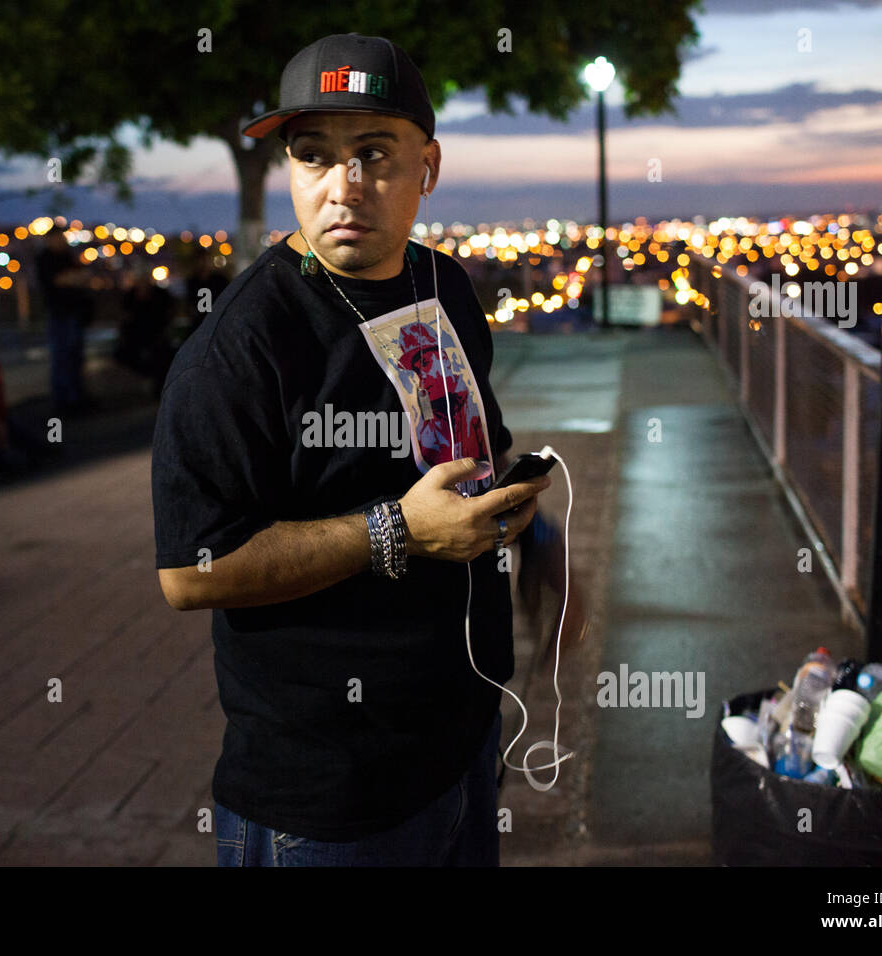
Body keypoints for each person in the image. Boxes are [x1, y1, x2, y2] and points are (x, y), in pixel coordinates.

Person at [151, 34, 550, 867]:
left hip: (463, 737)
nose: (345, 187)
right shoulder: (238, 350)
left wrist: (506, 513)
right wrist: (398, 530)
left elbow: (472, 448)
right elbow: (191, 573)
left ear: (428, 167)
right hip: (330, 795)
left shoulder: (443, 287)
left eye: (374, 153)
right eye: (314, 157)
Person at [35, 226, 98, 416]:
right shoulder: (46, 258)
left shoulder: (66, 256)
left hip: (73, 312)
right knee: (62, 357)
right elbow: (61, 280)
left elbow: (82, 277)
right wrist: (73, 278)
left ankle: (75, 397)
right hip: (60, 314)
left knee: (75, 357)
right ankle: (65, 401)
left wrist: (73, 278)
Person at [116, 265, 177, 396]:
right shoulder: (130, 296)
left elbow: (168, 313)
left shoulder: (160, 295)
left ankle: (157, 383)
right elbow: (125, 317)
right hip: (136, 336)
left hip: (156, 334)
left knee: (161, 356)